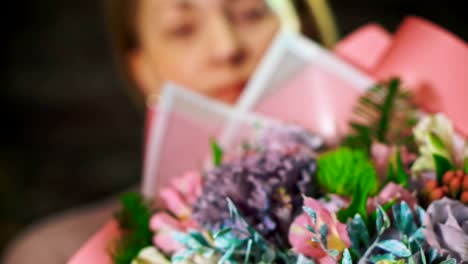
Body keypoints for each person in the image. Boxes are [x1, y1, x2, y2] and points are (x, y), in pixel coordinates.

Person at [2, 0, 338, 263]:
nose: (226, 47)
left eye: (251, 12)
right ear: (141, 68)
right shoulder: (60, 253)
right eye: (182, 29)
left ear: (306, 26)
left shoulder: (385, 204)